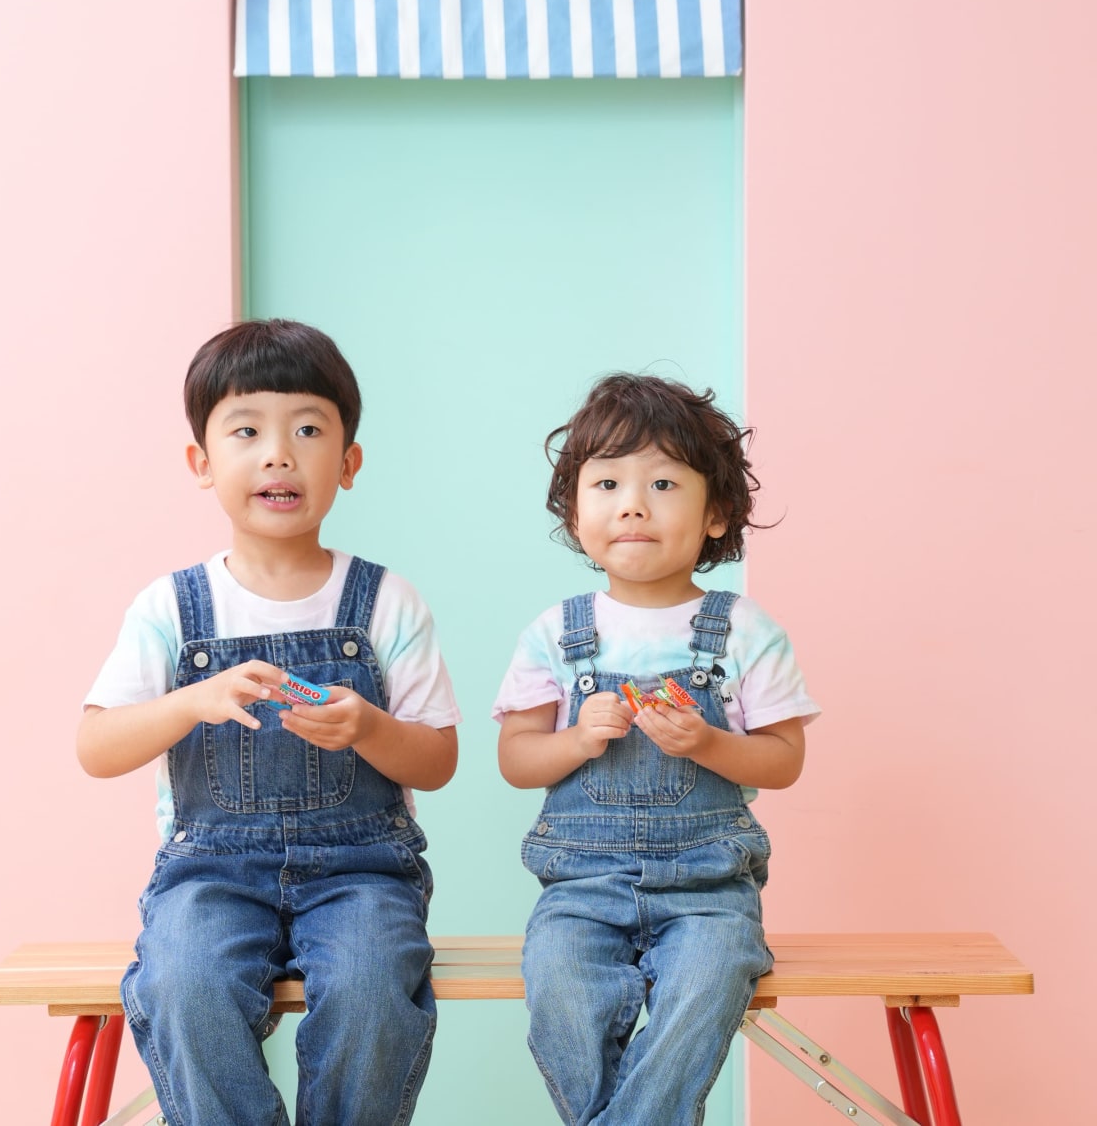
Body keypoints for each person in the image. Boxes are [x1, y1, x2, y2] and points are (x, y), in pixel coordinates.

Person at [78, 319, 460, 1126]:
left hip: (362, 870)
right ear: (202, 462)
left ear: (348, 464)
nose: (278, 453)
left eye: (309, 430)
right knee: (182, 986)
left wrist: (368, 728)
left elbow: (435, 760)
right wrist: (194, 699)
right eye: (246, 430)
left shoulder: (386, 600)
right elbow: (97, 746)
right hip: (211, 873)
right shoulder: (172, 608)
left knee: (372, 990)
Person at [494, 373, 819, 1126]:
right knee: (559, 995)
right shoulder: (555, 631)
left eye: (664, 482)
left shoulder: (742, 629)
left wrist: (708, 742)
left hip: (707, 889)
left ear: (717, 515)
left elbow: (784, 759)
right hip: (578, 888)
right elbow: (517, 760)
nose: (632, 503)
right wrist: (576, 740)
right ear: (577, 516)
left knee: (710, 985)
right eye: (606, 482)